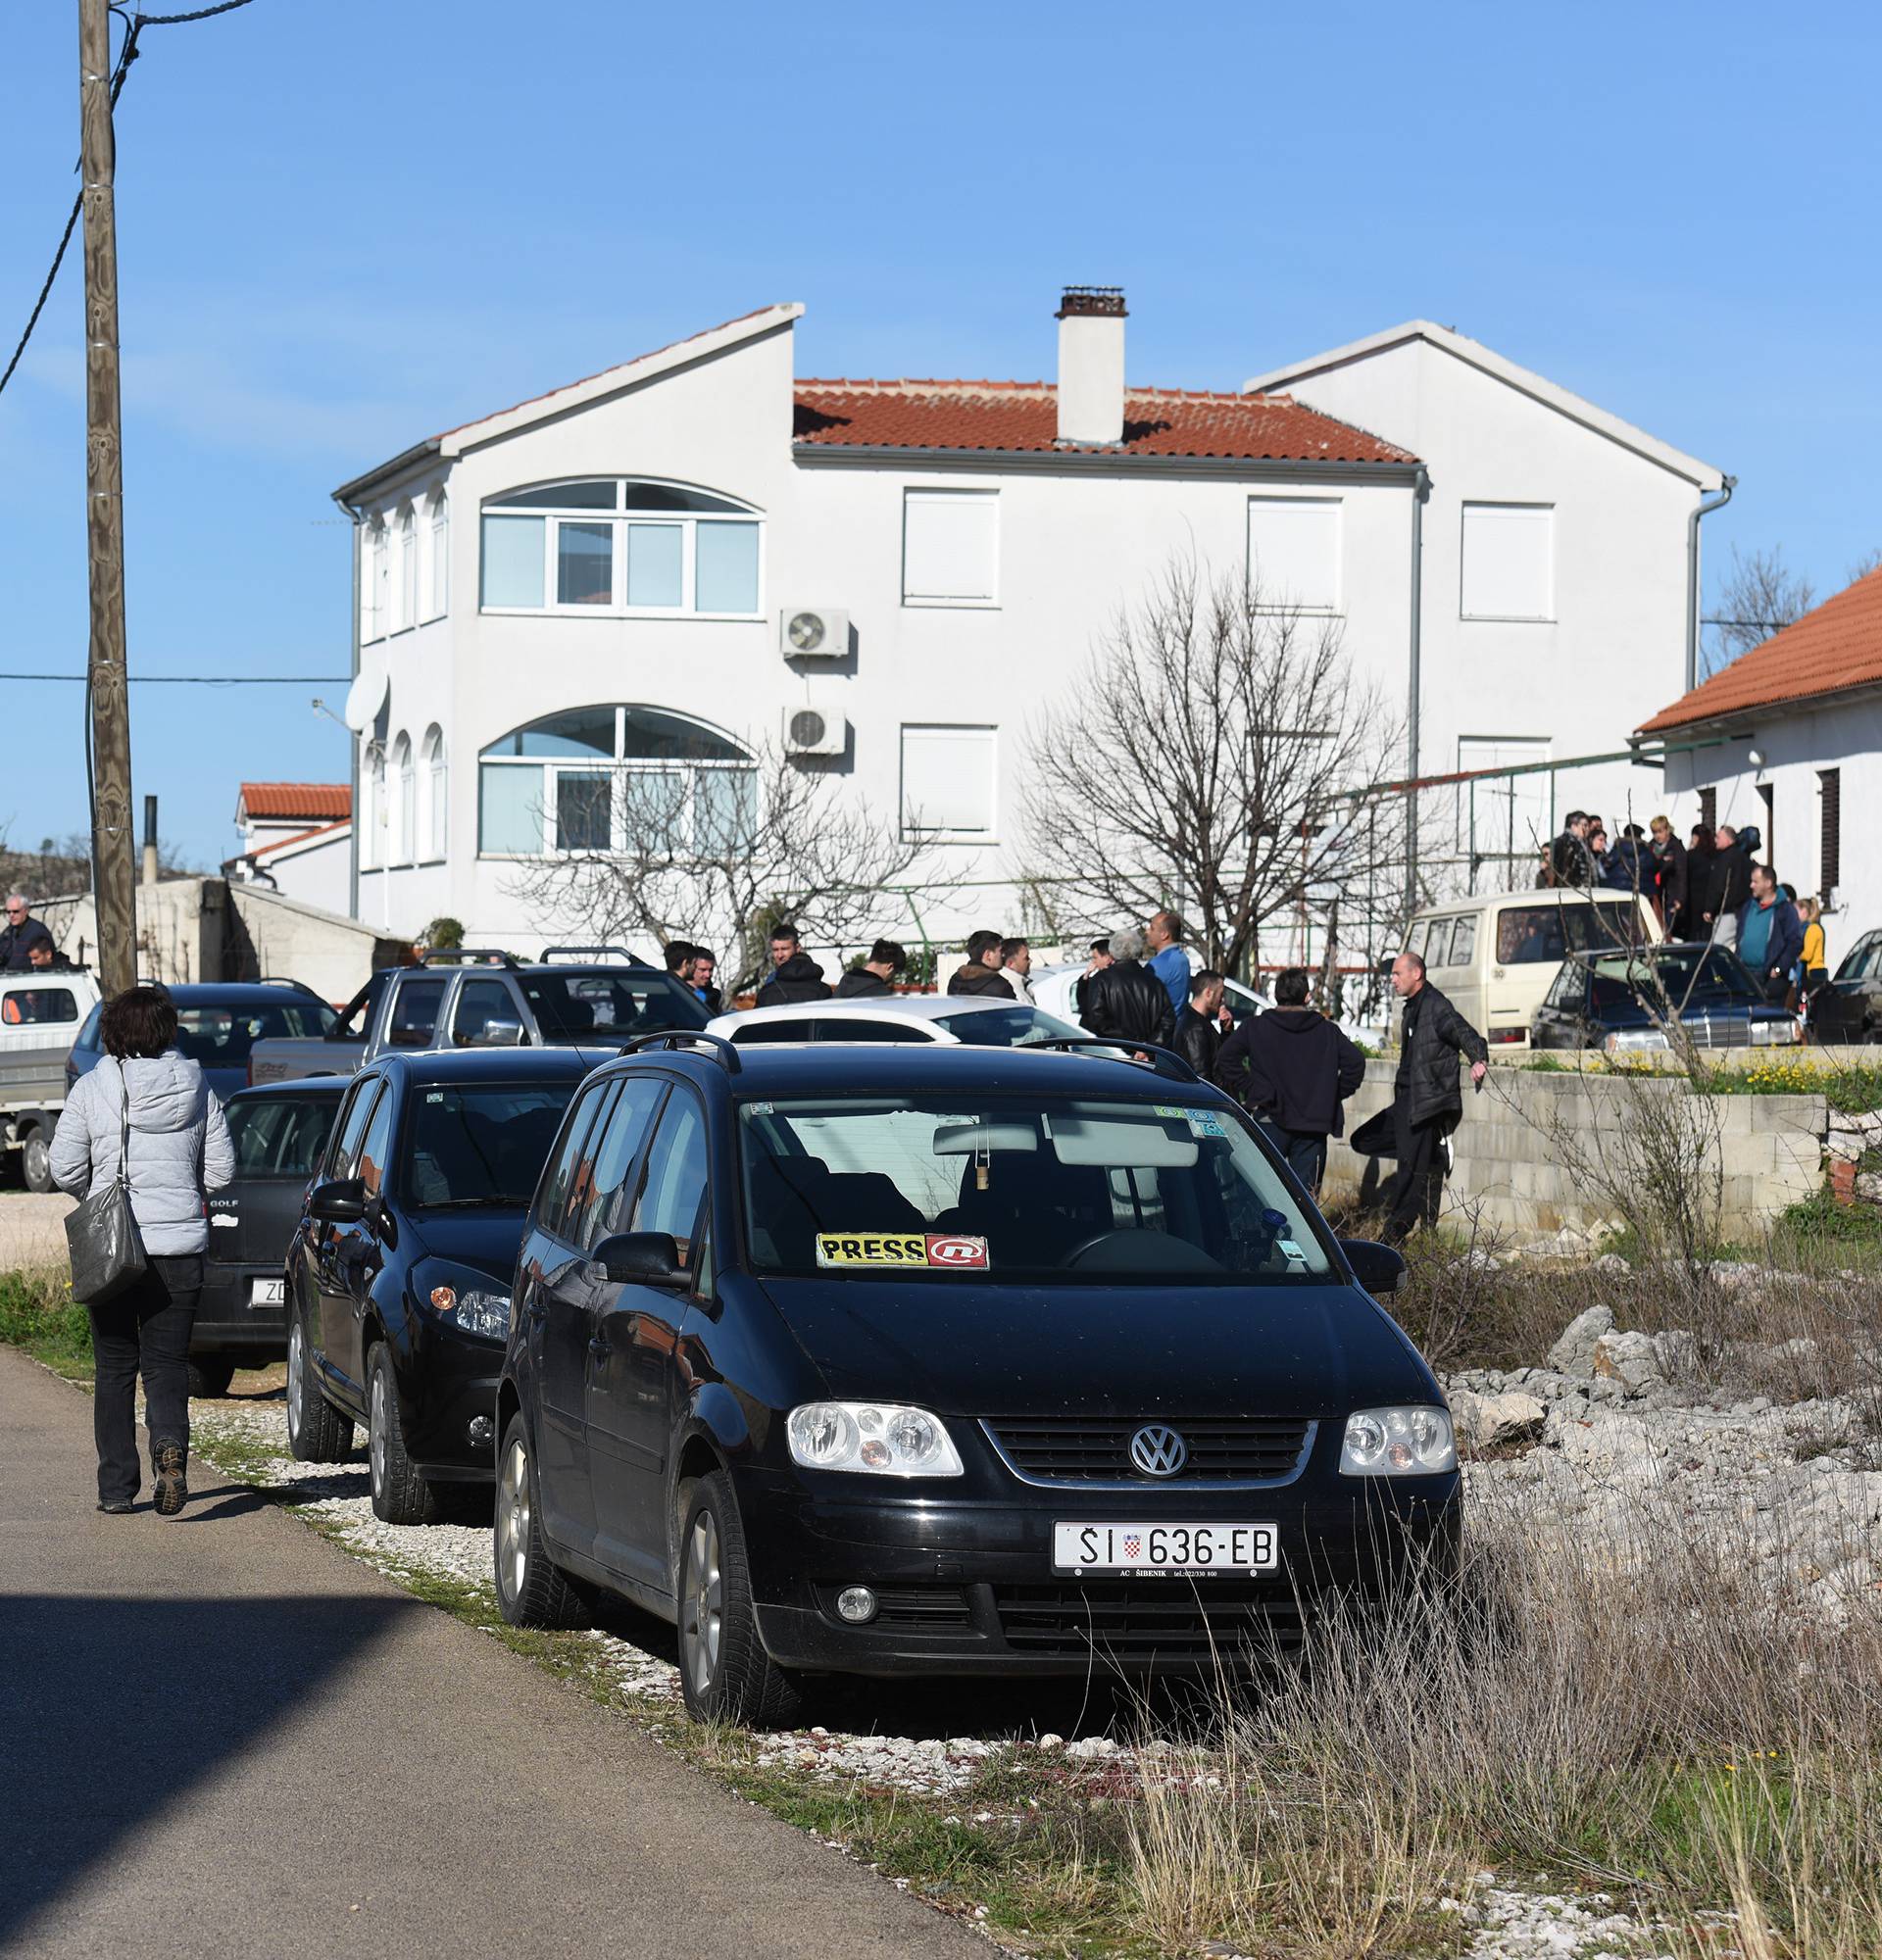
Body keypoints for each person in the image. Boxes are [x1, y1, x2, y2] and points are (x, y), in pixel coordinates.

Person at [48, 985, 235, 1515]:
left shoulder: (91, 1089)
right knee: (167, 1365)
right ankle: (169, 1450)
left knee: (113, 1367)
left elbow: (64, 1169)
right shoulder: (199, 1088)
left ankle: (115, 1489)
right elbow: (221, 1172)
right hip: (178, 1247)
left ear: (112, 1032)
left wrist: (98, 1193)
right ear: (167, 1030)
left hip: (113, 1247)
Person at [1214, 966, 1366, 1193]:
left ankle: (1260, 1229)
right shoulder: (1327, 1031)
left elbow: (1226, 1058)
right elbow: (1355, 1063)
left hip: (1269, 1118)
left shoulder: (1256, 1027)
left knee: (1260, 1193)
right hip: (1312, 1125)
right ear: (1307, 996)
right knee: (1304, 1202)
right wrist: (1330, 1095)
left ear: (1276, 995)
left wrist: (1255, 1090)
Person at [1382, 951, 1487, 1246]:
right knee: (1374, 1142)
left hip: (1426, 1102)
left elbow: (1464, 1032)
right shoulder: (1412, 1007)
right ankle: (1413, 1226)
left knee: (1411, 1170)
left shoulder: (1436, 1006)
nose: (1392, 980)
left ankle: (1394, 1233)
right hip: (1407, 1099)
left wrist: (1479, 1058)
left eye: (1397, 973)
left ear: (1416, 974)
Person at [1081, 926, 1176, 1049]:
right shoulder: (1155, 982)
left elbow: (1098, 1020)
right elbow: (1168, 1022)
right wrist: (1147, 1047)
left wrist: (1131, 1044)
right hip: (1148, 1057)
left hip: (1115, 1054)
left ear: (1112, 950)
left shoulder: (1101, 980)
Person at [1736, 864, 1803, 1004]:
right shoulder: (1748, 907)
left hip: (1769, 977)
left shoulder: (1784, 909)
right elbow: (1740, 936)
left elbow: (1795, 942)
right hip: (1747, 974)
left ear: (1768, 883)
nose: (1751, 885)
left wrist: (1779, 968)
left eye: (1755, 881)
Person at [755, 923, 831, 1006]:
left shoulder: (812, 975)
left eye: (785, 949)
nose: (780, 955)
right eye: (775, 950)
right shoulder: (771, 980)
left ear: (797, 948)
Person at [1173, 969, 1225, 1079]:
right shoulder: (1195, 1029)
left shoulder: (1199, 1022)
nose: (1222, 999)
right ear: (1208, 993)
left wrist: (1226, 1030)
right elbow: (1201, 1077)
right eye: (1221, 994)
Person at [1709, 825, 1753, 948]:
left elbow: (1719, 885)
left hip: (1727, 910)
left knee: (1719, 947)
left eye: (1718, 837)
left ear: (1728, 839)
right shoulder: (1743, 857)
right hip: (1740, 909)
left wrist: (1710, 908)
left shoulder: (1725, 858)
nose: (1715, 840)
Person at [1144, 909, 1190, 1018]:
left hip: (1162, 1028)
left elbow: (1143, 999)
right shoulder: (1182, 958)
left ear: (1164, 934)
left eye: (1152, 928)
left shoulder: (1159, 964)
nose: (1147, 932)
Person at [1649, 815, 1688, 934]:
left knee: (1666, 929)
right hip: (1655, 895)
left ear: (1667, 830)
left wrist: (1680, 898)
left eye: (1660, 831)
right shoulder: (1650, 847)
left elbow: (1682, 874)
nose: (1657, 836)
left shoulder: (1676, 847)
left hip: (1671, 895)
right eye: (1655, 832)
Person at [947, 930, 1012, 998]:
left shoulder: (955, 981)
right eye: (1001, 951)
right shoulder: (1001, 986)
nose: (1003, 955)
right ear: (988, 955)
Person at [1, 894, 56, 971]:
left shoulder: (38, 931)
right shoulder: (8, 932)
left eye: (15, 911)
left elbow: (47, 959)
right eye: (8, 912)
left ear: (26, 911)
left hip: (31, 978)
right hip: (9, 978)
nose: (11, 915)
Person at [835, 939, 907, 999]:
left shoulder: (845, 981)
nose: (892, 978)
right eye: (895, 973)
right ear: (890, 967)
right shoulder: (882, 996)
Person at [1682, 825, 1716, 941]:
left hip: (1694, 900)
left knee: (1693, 932)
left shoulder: (1691, 855)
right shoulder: (1715, 854)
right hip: (1710, 899)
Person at [1550, 813, 1593, 889]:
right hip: (1572, 890)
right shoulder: (1570, 843)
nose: (1587, 829)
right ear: (1574, 826)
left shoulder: (1579, 843)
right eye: (1585, 825)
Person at [1074, 936, 1114, 1018]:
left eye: (1095, 958)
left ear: (1106, 958)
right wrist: (1087, 974)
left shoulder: (1101, 980)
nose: (1093, 961)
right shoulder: (1097, 978)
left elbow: (1085, 1004)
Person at [998, 937, 1034, 1004]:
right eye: (1026, 958)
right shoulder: (1013, 991)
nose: (1030, 961)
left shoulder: (1019, 986)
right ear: (1010, 963)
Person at [690, 948, 722, 1015]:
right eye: (703, 970)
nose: (707, 975)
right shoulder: (677, 992)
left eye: (710, 970)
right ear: (691, 968)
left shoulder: (714, 996)